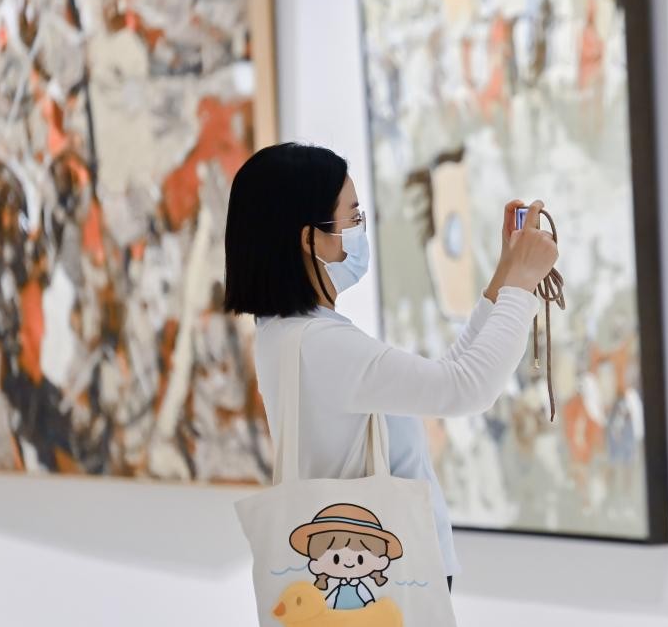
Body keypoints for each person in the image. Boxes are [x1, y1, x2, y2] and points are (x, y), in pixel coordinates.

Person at [223, 142, 558, 593]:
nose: (360, 230)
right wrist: (522, 285)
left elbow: (447, 374)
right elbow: (466, 388)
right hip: (389, 584)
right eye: (352, 218)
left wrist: (506, 275)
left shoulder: (286, 335)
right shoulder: (323, 345)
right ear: (310, 239)